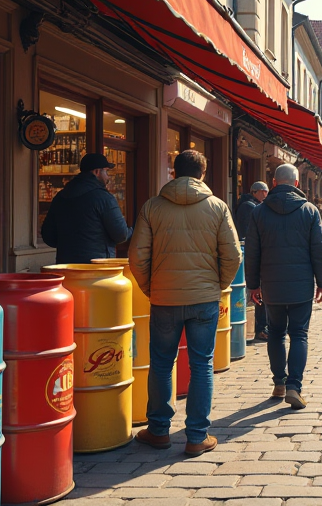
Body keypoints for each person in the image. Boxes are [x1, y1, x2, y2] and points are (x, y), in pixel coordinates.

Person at [129, 150, 241, 457]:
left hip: (164, 298)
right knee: (202, 364)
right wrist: (217, 286)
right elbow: (232, 255)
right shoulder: (217, 207)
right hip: (204, 298)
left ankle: (158, 431)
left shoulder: (152, 207)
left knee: (162, 363)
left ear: (173, 172)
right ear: (202, 174)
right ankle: (196, 436)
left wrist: (152, 287)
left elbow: (137, 256)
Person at [245, 164, 322, 410]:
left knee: (276, 333)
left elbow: (252, 253)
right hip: (301, 284)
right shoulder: (310, 211)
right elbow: (319, 251)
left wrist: (253, 285)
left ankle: (279, 383)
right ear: (296, 184)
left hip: (271, 284)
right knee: (299, 334)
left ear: (273, 183)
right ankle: (294, 386)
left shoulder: (259, 213)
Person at [41, 153, 132, 263]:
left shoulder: (60, 197)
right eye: (106, 171)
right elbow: (121, 234)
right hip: (96, 267)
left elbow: (48, 236)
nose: (108, 176)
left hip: (66, 266)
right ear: (97, 172)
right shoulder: (103, 198)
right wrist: (132, 231)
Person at [235, 182, 270, 341]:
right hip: (252, 254)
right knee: (257, 292)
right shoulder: (251, 207)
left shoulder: (247, 205)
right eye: (264, 191)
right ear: (256, 192)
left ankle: (258, 327)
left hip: (248, 252)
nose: (266, 194)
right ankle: (260, 328)